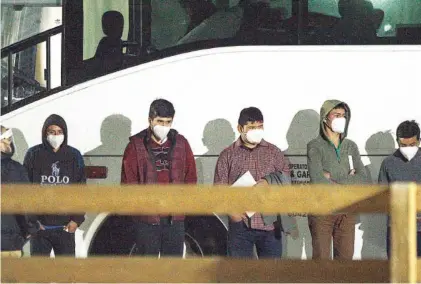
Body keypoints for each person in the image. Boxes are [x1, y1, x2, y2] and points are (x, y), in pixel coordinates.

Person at [121, 99, 197, 257]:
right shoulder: (135, 145)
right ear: (150, 120)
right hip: (146, 220)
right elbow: (128, 184)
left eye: (168, 122)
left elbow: (191, 178)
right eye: (159, 121)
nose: (164, 126)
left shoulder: (181, 143)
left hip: (174, 219)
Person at [214, 107, 291, 258]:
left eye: (259, 127)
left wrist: (268, 182)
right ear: (240, 128)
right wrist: (231, 211)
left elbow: (287, 180)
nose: (256, 131)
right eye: (251, 127)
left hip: (270, 225)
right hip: (240, 226)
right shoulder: (227, 155)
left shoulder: (274, 152)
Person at [307, 100, 369, 260]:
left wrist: (332, 177)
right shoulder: (314, 146)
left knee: (345, 264)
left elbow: (363, 179)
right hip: (322, 211)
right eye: (336, 115)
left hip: (347, 211)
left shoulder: (351, 146)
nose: (341, 118)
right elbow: (318, 180)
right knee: (321, 262)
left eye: (343, 115)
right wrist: (349, 178)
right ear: (325, 118)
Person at [23, 114, 86, 256]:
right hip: (40, 228)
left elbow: (81, 191)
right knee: (39, 274)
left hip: (65, 227)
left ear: (65, 134)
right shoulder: (33, 155)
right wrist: (32, 222)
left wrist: (77, 220)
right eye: (51, 132)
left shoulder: (74, 156)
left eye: (59, 132)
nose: (56, 136)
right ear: (45, 133)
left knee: (66, 274)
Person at [378, 120, 421, 258]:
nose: (408, 148)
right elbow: (381, 197)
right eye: (403, 145)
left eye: (412, 145)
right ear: (397, 142)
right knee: (397, 275)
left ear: (419, 141)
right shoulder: (388, 163)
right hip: (397, 229)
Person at [1, 126, 30, 257]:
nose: (10, 143)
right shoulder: (16, 169)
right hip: (10, 243)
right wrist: (29, 230)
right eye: (6, 140)